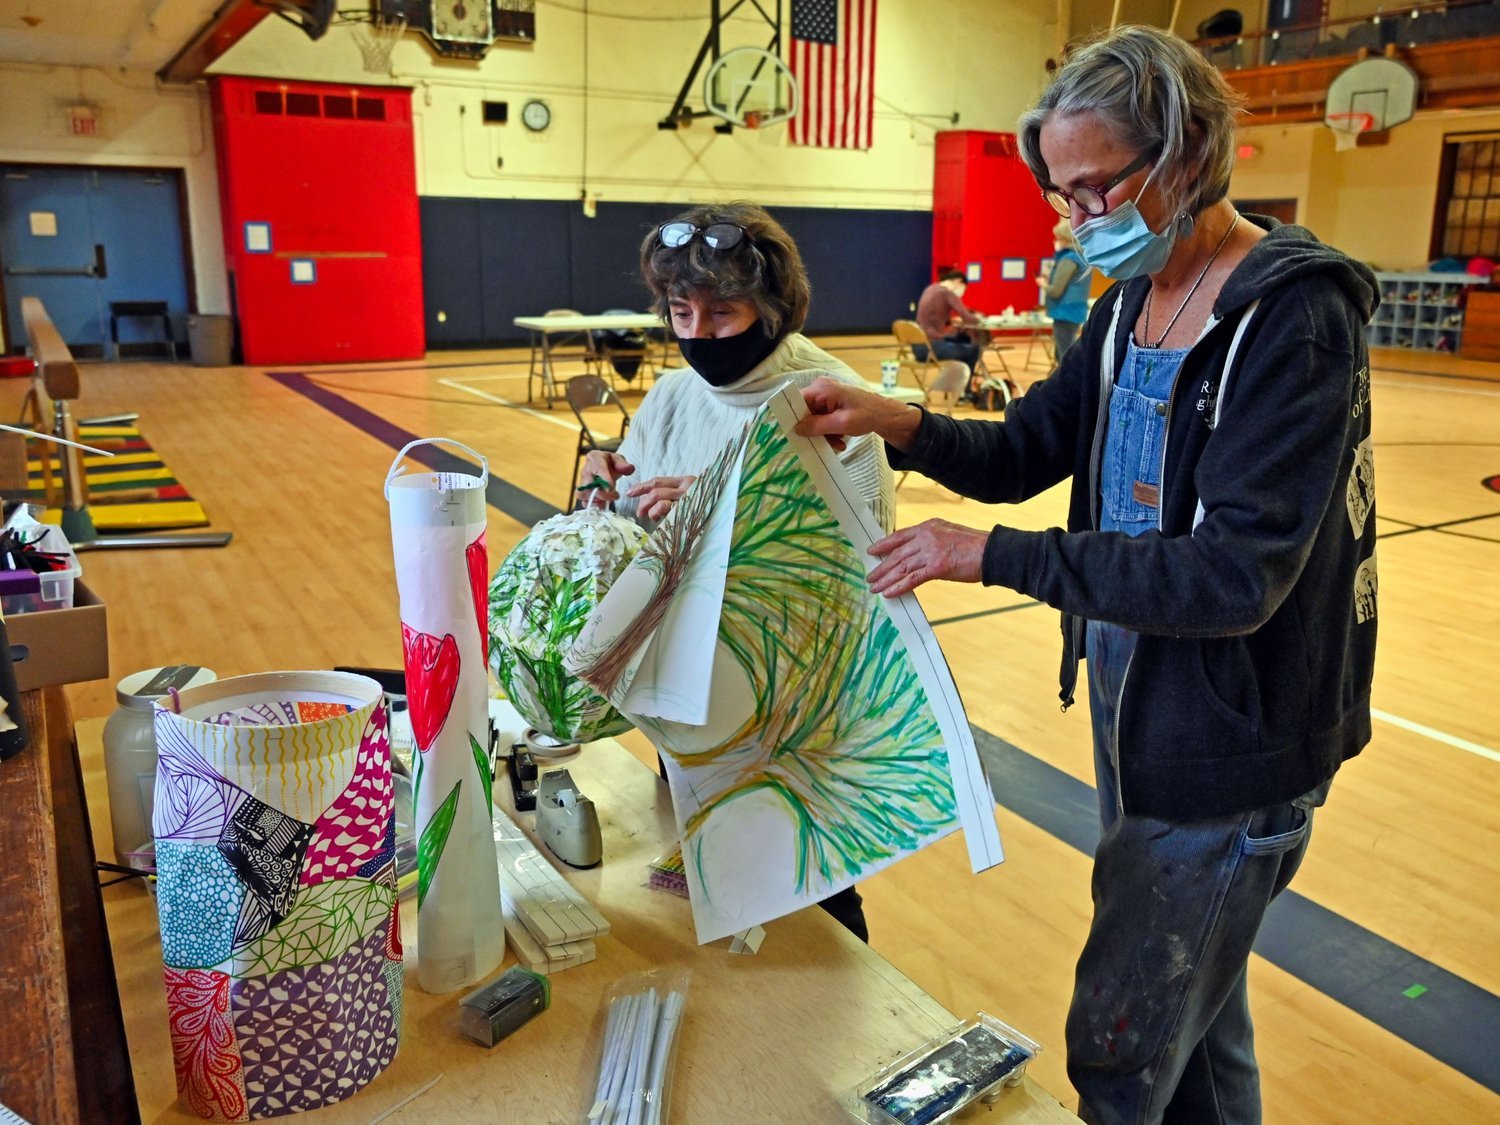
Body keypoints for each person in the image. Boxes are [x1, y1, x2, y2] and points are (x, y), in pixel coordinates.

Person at [796, 25, 1377, 1124]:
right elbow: (1025, 451)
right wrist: (901, 421)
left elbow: (1231, 576)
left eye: (1095, 189)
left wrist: (985, 559)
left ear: (1187, 152)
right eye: (1063, 197)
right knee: (1196, 1036)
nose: (1076, 221)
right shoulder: (1123, 307)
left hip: (1238, 740)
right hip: (1141, 708)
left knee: (1120, 1047)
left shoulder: (1294, 317)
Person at [576, 200, 895, 942]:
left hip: (792, 703)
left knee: (812, 890)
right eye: (681, 312)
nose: (698, 334)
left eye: (722, 313)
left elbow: (860, 553)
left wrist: (733, 505)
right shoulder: (674, 394)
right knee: (704, 863)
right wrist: (613, 484)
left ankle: (843, 1027)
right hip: (687, 689)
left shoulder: (827, 397)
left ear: (774, 310)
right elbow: (646, 520)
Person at [1038, 218, 1092, 359]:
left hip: (1065, 311)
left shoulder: (1069, 259)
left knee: (1064, 355)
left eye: (1059, 238)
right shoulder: (1082, 257)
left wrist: (1043, 284)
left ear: (1066, 239)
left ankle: (1068, 381)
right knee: (1066, 350)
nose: (1056, 242)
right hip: (1075, 309)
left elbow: (1056, 291)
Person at [915, 268, 985, 374]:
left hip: (918, 348)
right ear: (958, 281)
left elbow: (940, 317)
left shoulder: (931, 289)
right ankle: (966, 388)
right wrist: (983, 318)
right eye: (964, 289)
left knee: (961, 338)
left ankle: (955, 379)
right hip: (931, 349)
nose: (962, 293)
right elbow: (968, 318)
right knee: (974, 351)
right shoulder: (946, 293)